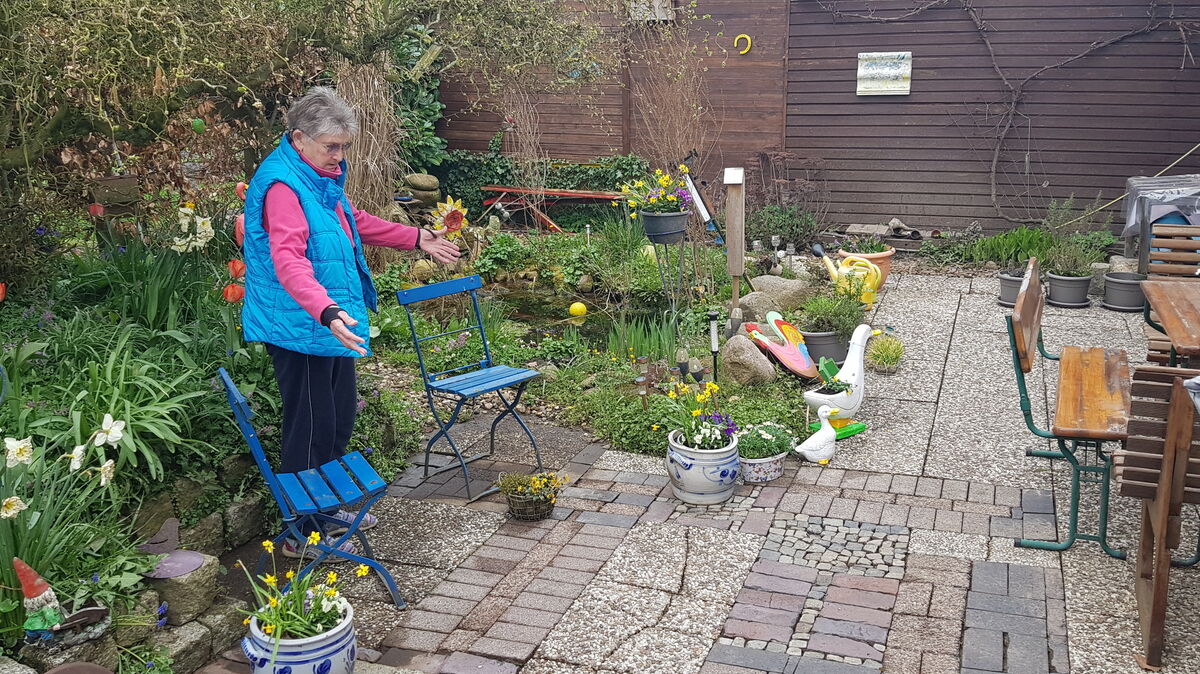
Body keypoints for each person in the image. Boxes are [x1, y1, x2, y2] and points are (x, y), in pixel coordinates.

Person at [241, 87, 460, 559]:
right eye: (331, 147)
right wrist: (325, 309)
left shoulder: (317, 176)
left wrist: (417, 237)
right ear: (299, 138)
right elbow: (288, 258)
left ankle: (325, 505)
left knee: (338, 418)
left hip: (330, 322)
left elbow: (351, 218)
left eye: (343, 146)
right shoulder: (282, 186)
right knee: (310, 426)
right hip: (301, 327)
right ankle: (304, 527)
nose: (340, 156)